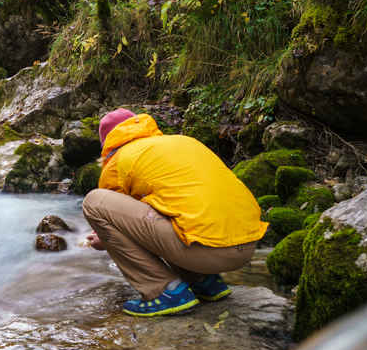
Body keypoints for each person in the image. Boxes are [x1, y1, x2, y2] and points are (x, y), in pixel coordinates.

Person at [82, 108, 267, 317]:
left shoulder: (118, 161)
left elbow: (124, 224)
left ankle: (163, 291)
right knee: (171, 208)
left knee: (94, 201)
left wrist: (102, 240)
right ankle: (204, 281)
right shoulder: (182, 142)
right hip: (248, 246)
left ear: (107, 144)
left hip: (207, 252)